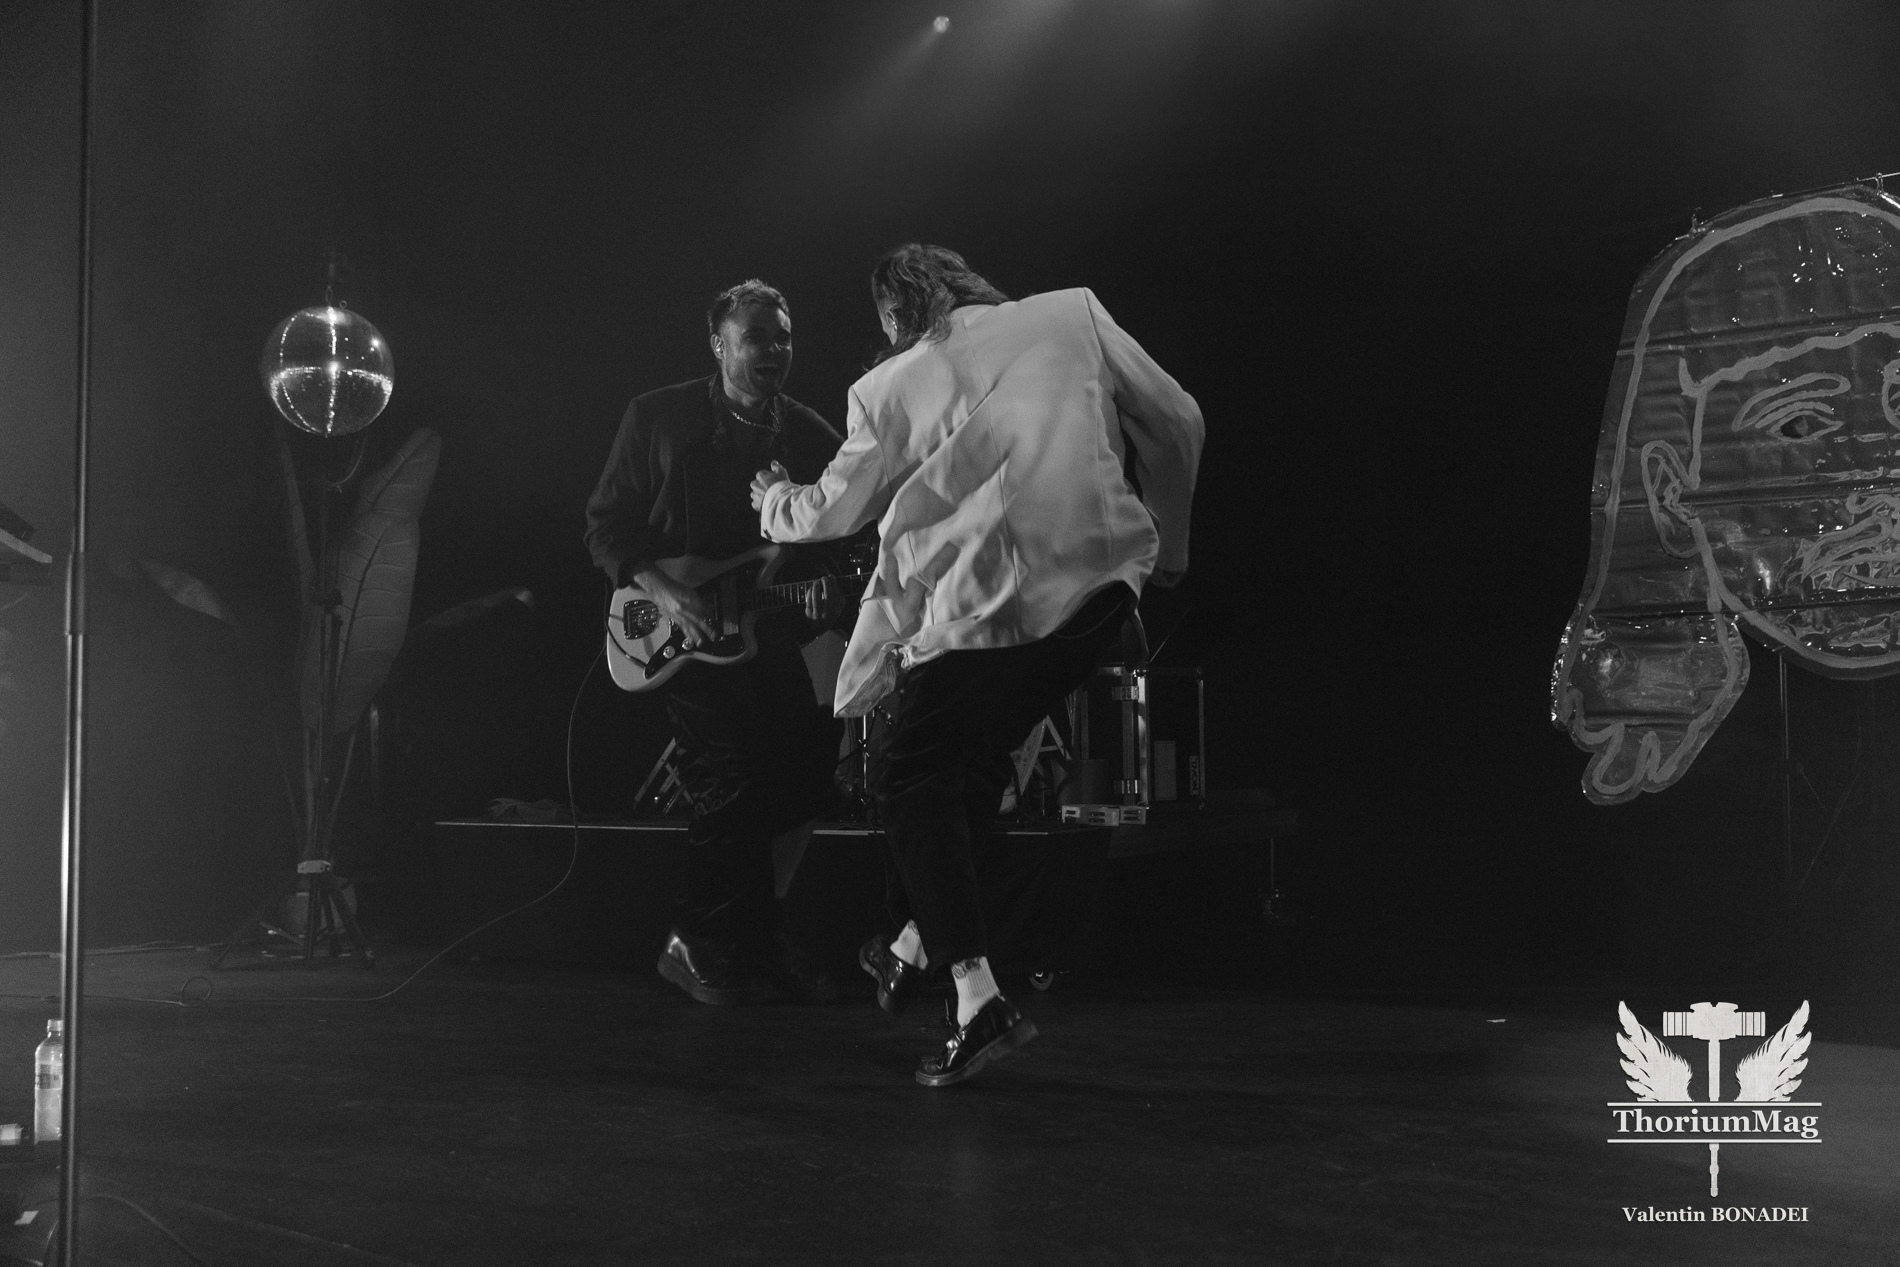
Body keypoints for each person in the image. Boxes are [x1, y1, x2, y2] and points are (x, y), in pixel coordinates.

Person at [751, 244, 1203, 1084]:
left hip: (990, 614)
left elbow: (831, 510)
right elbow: (1179, 422)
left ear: (896, 314)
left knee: (905, 776)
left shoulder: (888, 385)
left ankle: (975, 997)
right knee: (974, 763)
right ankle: (913, 941)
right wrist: (1168, 552)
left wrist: (772, 499)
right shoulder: (1071, 313)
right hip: (1101, 598)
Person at [586, 279, 845, 1004]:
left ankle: (757, 937)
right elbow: (606, 527)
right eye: (757, 336)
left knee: (805, 774)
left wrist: (827, 591)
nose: (774, 350)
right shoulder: (657, 416)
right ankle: (694, 941)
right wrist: (668, 594)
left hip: (765, 632)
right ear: (718, 344)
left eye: (784, 336)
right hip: (677, 631)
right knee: (731, 780)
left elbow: (838, 535)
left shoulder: (810, 434)